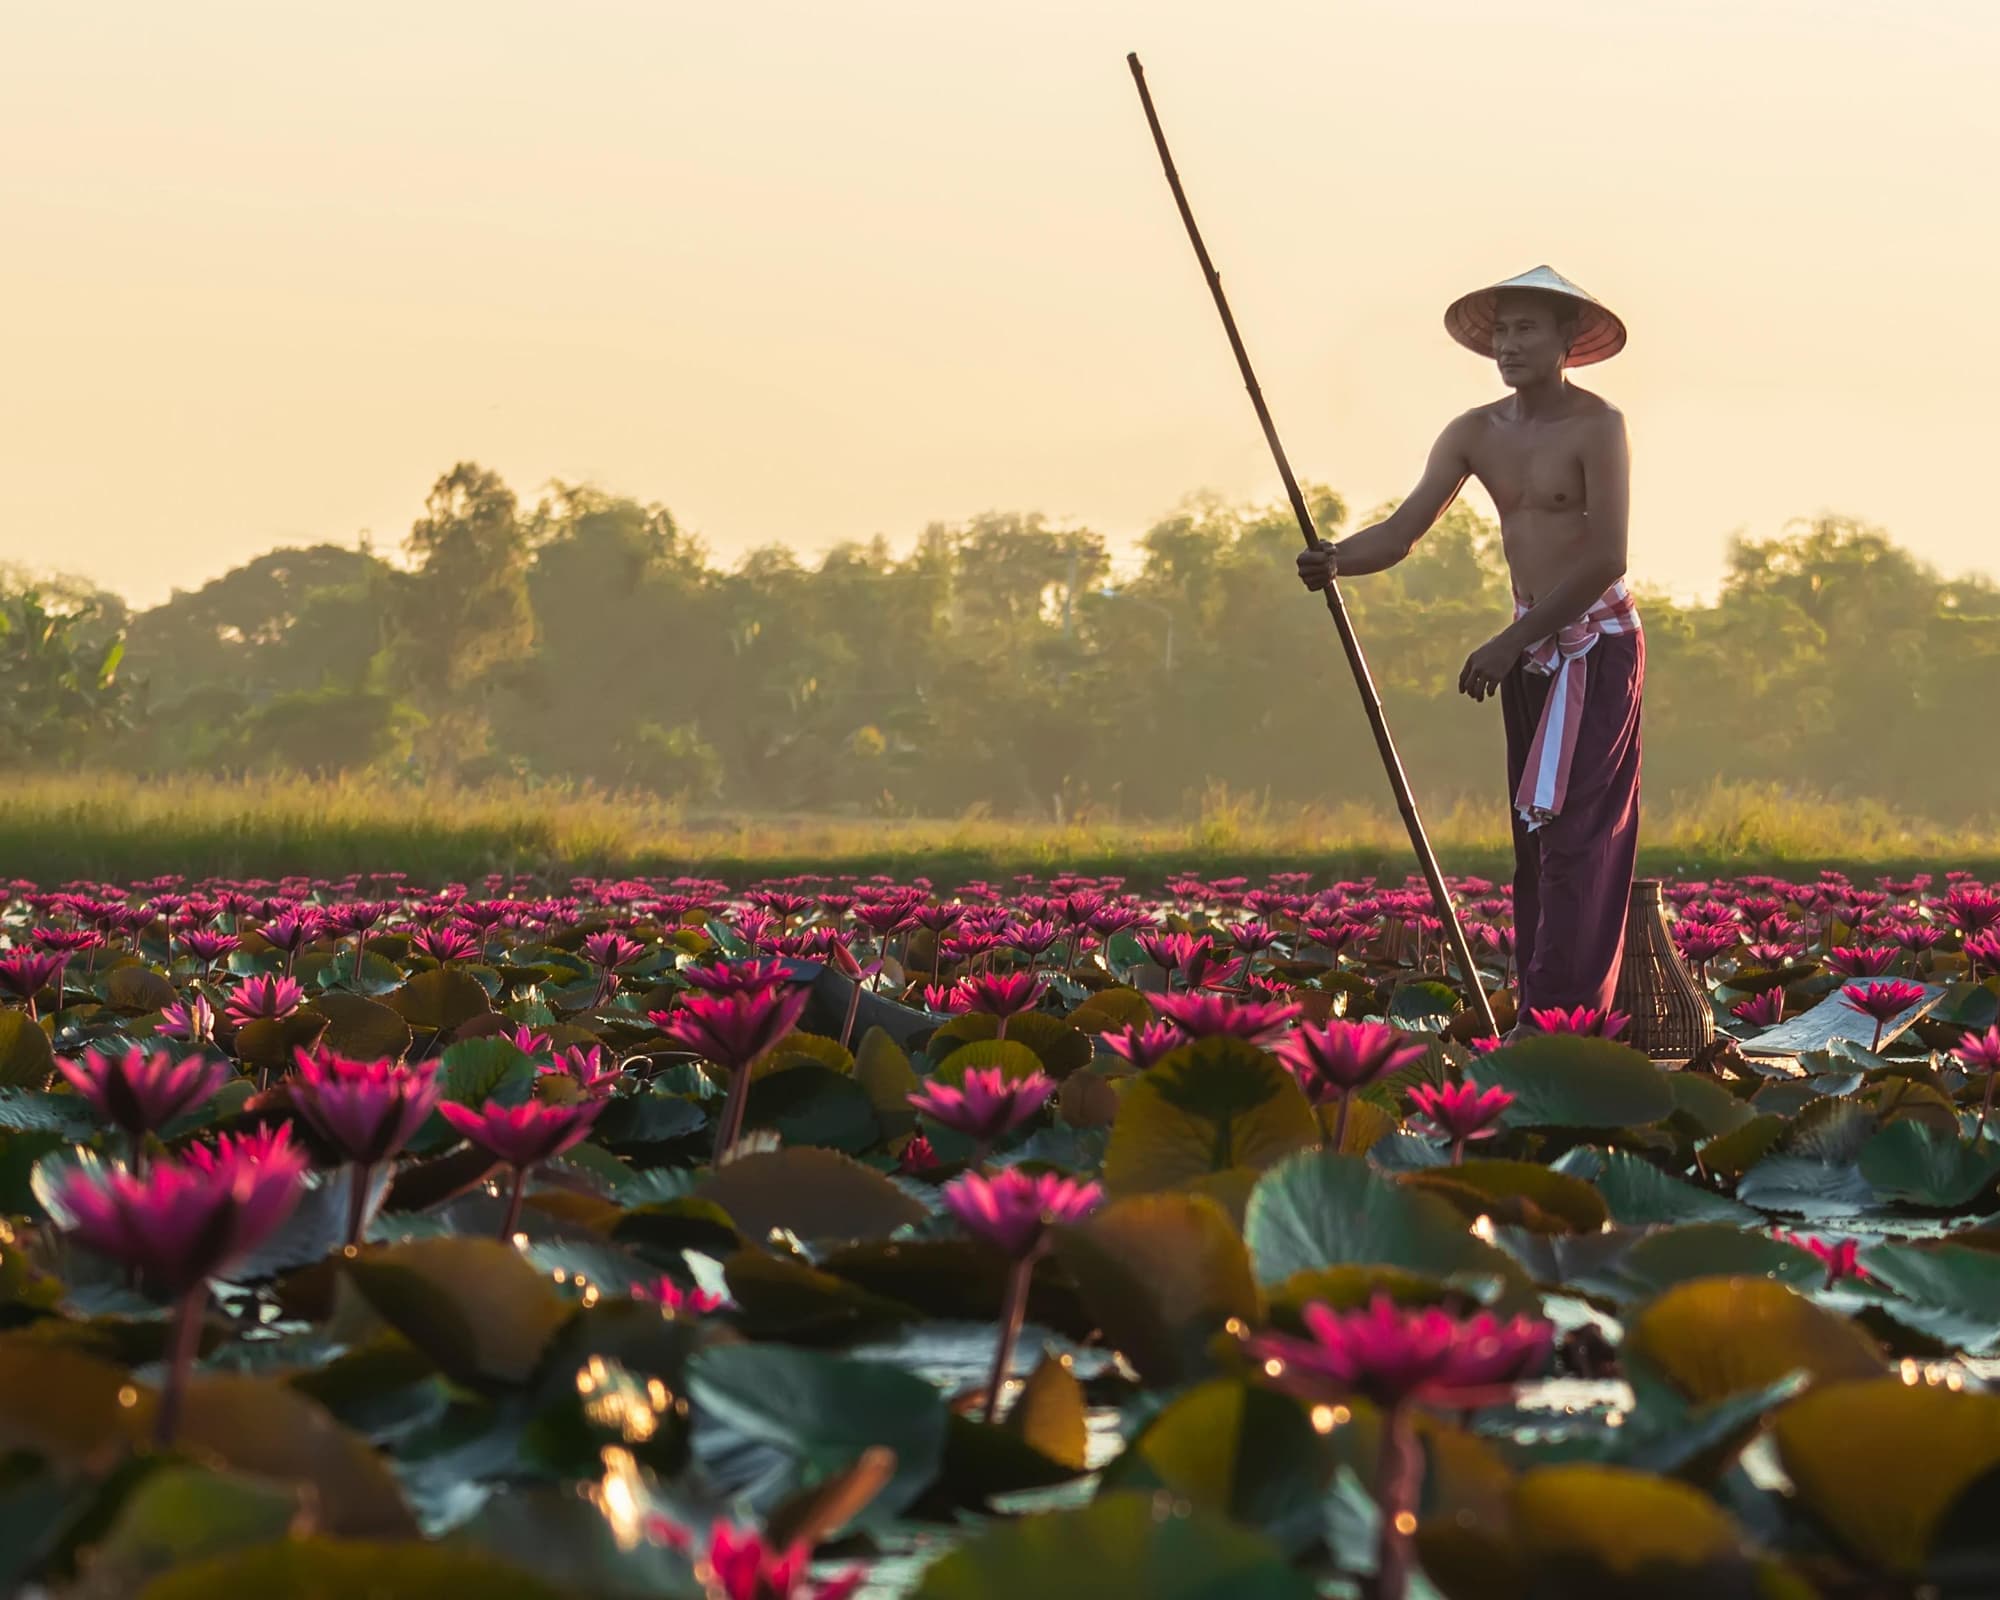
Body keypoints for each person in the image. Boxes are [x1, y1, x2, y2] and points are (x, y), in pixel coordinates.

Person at [1296, 265, 1641, 1031]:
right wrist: (1335, 558)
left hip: (1595, 644)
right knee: (1533, 833)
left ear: (1566, 343)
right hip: (1528, 646)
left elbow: (1606, 557)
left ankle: (1564, 1018)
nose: (1509, 345)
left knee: (1577, 834)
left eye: (1527, 330)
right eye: (1501, 332)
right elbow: (1400, 531)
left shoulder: (1598, 425)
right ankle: (1539, 1012)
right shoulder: (1475, 431)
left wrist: (1511, 639)